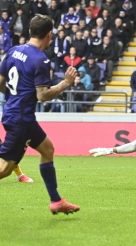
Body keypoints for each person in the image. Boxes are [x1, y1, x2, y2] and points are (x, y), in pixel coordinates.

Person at [0, 14, 79, 214]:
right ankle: (56, 200)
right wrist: (65, 84)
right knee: (4, 170)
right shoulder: (41, 60)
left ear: (30, 31)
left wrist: (16, 95)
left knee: (47, 149)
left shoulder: (13, 51)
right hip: (21, 119)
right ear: (49, 35)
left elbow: (1, 83)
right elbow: (43, 95)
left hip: (16, 113)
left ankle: (56, 201)